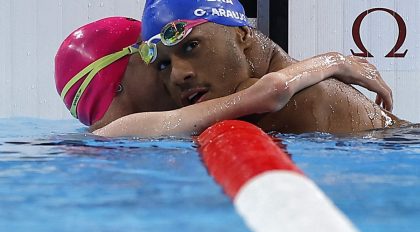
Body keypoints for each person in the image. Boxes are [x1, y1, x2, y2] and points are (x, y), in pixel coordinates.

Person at [54, 17, 393, 137]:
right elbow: (268, 92)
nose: (174, 74)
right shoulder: (124, 132)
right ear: (120, 81)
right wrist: (334, 61)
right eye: (153, 57)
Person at [140, 0, 407, 134]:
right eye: (163, 64)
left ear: (243, 34)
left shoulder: (291, 99)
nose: (178, 75)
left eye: (191, 46)